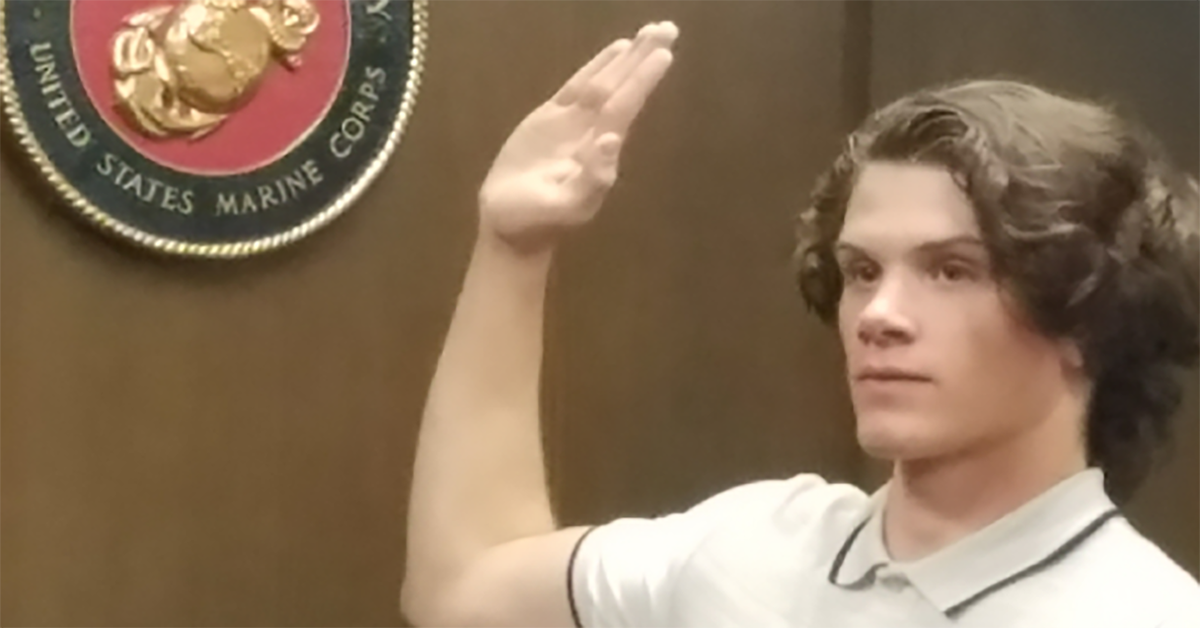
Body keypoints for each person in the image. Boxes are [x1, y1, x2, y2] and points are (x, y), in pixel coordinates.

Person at [400, 20, 1200, 628]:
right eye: (862, 271)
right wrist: (513, 247)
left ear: (1089, 314)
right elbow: (464, 587)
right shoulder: (750, 548)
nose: (880, 315)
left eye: (952, 270)